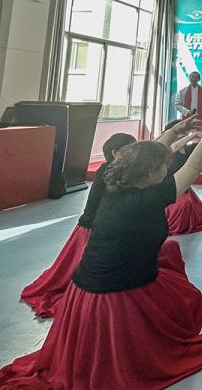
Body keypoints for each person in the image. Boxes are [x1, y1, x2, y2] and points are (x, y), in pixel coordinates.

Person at [0, 116, 202, 390]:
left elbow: (151, 153)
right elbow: (192, 168)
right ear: (149, 173)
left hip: (86, 292)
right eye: (163, 166)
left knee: (170, 257)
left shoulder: (119, 187)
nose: (168, 168)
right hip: (110, 299)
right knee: (184, 297)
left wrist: (174, 132)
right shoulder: (145, 199)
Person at [20, 132, 137, 318]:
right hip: (92, 228)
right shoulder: (109, 171)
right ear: (115, 152)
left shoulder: (112, 170)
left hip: (97, 225)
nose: (133, 154)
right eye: (129, 150)